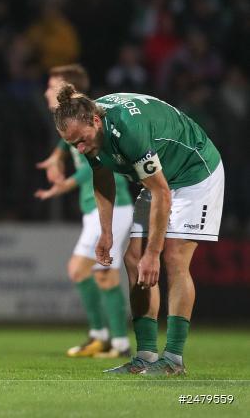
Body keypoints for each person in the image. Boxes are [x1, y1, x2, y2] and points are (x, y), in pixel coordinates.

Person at [53, 86, 224, 376]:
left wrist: (153, 253)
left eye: (81, 141)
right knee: (134, 258)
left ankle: (173, 359)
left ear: (96, 121)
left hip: (195, 173)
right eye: (73, 145)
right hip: (160, 179)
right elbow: (102, 176)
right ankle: (144, 355)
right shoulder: (88, 134)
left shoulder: (128, 130)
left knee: (172, 258)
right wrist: (105, 233)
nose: (80, 149)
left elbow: (162, 195)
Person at [35, 65, 132, 359]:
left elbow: (97, 164)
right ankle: (105, 338)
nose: (46, 92)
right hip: (95, 209)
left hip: (113, 205)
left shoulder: (90, 123)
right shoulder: (73, 124)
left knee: (92, 272)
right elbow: (68, 148)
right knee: (94, 273)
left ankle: (115, 341)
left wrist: (63, 185)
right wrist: (55, 157)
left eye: (52, 86)